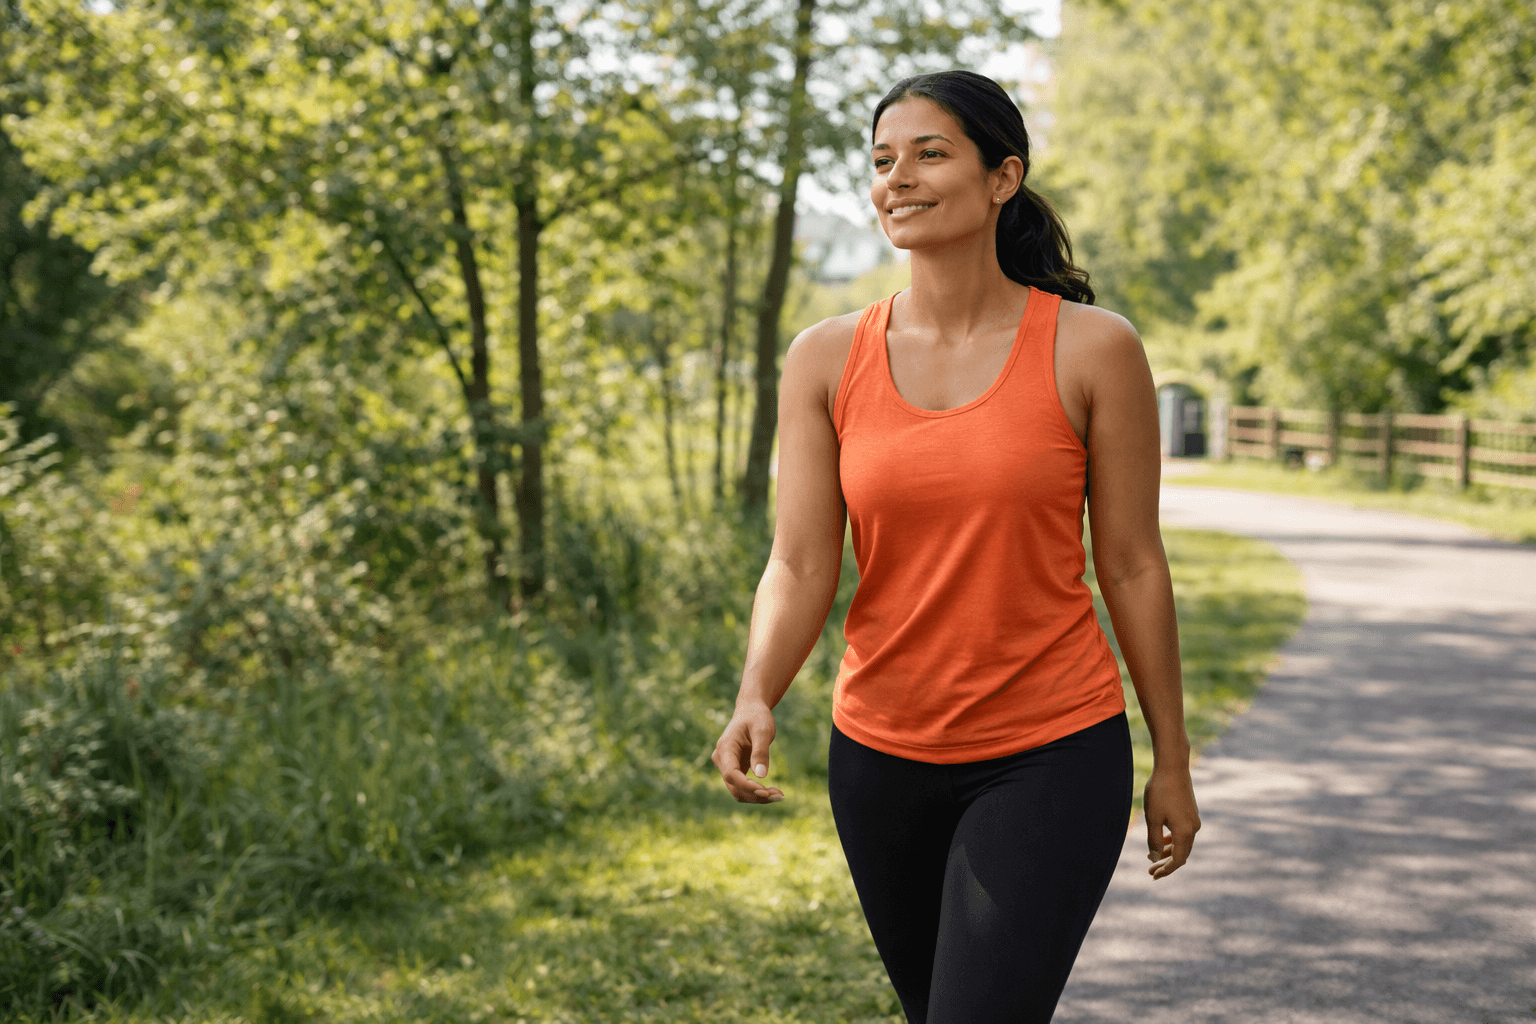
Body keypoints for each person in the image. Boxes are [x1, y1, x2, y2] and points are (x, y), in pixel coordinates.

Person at [711, 70, 1201, 1023]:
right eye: (883, 161)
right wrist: (756, 690)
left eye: (931, 153)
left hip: (1050, 751)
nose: (899, 177)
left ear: (1002, 178)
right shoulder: (824, 357)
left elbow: (1133, 563)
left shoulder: (1093, 349)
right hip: (878, 756)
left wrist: (1171, 757)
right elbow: (802, 560)